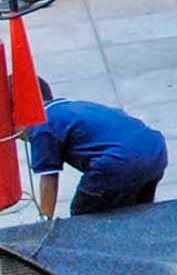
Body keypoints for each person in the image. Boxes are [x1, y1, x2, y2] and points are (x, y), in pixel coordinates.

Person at [27, 78, 168, 219]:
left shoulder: (43, 124)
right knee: (137, 214)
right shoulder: (75, 107)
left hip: (121, 162)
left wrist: (44, 221)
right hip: (155, 151)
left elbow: (49, 177)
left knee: (84, 217)